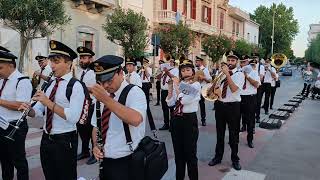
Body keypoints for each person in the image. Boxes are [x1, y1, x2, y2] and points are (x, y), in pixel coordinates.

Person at [19, 40, 85, 180]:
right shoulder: (50, 84)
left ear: (68, 63)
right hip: (46, 138)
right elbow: (37, 110)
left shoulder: (76, 86)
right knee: (50, 175)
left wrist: (47, 101)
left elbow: (73, 117)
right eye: (51, 61)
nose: (52, 65)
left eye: (56, 61)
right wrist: (28, 110)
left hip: (65, 140)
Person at [89, 55, 147, 180]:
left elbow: (136, 119)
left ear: (120, 73)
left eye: (109, 80)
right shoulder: (103, 95)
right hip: (106, 160)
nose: (105, 86)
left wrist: (106, 100)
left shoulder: (134, 92)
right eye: (101, 81)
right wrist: (95, 145)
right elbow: (96, 126)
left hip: (127, 161)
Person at [208, 50, 244, 171]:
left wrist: (227, 74)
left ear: (237, 62)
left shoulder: (240, 74)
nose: (230, 62)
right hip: (220, 105)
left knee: (233, 134)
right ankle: (218, 157)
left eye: (233, 60)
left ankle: (235, 159)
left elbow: (234, 89)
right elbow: (216, 87)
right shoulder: (220, 73)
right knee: (220, 133)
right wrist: (215, 91)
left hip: (233, 106)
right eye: (228, 60)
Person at [0, 46, 32, 180]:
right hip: (1, 125)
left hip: (15, 127)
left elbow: (22, 106)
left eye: (0, 67)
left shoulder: (22, 81)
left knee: (18, 161)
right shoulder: (2, 80)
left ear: (10, 65)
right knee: (5, 161)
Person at [166, 59, 201, 180]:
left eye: (188, 70)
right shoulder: (179, 85)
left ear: (192, 71)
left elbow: (184, 100)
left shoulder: (195, 85)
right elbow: (170, 103)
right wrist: (170, 87)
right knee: (178, 155)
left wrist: (177, 85)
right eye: (183, 70)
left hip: (189, 121)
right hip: (176, 120)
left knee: (190, 155)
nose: (185, 72)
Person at [75, 46, 97, 165]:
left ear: (91, 59)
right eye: (81, 58)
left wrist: (82, 87)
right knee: (82, 129)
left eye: (84, 58)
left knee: (91, 129)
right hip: (81, 105)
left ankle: (95, 153)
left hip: (92, 104)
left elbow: (97, 89)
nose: (81, 60)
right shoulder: (80, 73)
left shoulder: (94, 73)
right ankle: (85, 151)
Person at [239, 56, 260, 148]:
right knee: (235, 119)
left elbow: (256, 85)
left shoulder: (254, 72)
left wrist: (246, 76)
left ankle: (250, 140)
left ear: (247, 63)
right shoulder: (238, 72)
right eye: (241, 62)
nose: (242, 64)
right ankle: (234, 138)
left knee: (250, 120)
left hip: (250, 98)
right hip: (239, 97)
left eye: (244, 62)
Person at [159, 55, 179, 130]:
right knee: (164, 108)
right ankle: (166, 124)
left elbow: (175, 78)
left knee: (171, 108)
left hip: (170, 91)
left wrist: (168, 73)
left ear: (173, 62)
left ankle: (172, 125)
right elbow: (160, 79)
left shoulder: (175, 70)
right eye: (168, 61)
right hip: (163, 90)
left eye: (170, 61)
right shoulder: (164, 70)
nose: (169, 62)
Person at [195, 56, 212, 126]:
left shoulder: (205, 70)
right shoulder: (195, 69)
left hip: (202, 89)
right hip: (195, 88)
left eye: (197, 61)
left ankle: (203, 120)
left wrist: (204, 78)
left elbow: (210, 80)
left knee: (202, 105)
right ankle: (194, 120)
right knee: (194, 104)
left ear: (201, 62)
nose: (195, 62)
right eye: (195, 61)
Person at [138, 57, 155, 129]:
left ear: (147, 63)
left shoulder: (149, 69)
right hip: (141, 84)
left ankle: (147, 110)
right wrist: (141, 71)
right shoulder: (141, 69)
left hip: (146, 84)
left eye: (145, 63)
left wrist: (145, 70)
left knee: (146, 99)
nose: (144, 64)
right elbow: (138, 76)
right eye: (143, 63)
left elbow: (148, 76)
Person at [253, 53, 265, 123]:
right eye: (253, 57)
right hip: (251, 87)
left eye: (256, 58)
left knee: (258, 102)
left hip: (258, 87)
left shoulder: (261, 67)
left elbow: (261, 78)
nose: (254, 59)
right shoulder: (249, 66)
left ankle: (257, 116)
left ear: (258, 59)